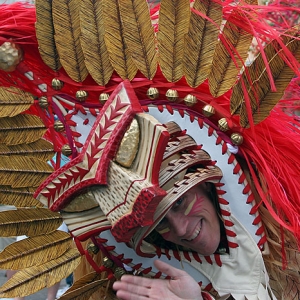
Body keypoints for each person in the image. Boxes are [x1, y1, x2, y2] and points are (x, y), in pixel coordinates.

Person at [0, 0, 299, 300]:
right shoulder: (159, 289)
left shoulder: (289, 224)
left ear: (207, 183)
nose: (181, 229)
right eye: (161, 225)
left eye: (179, 204)